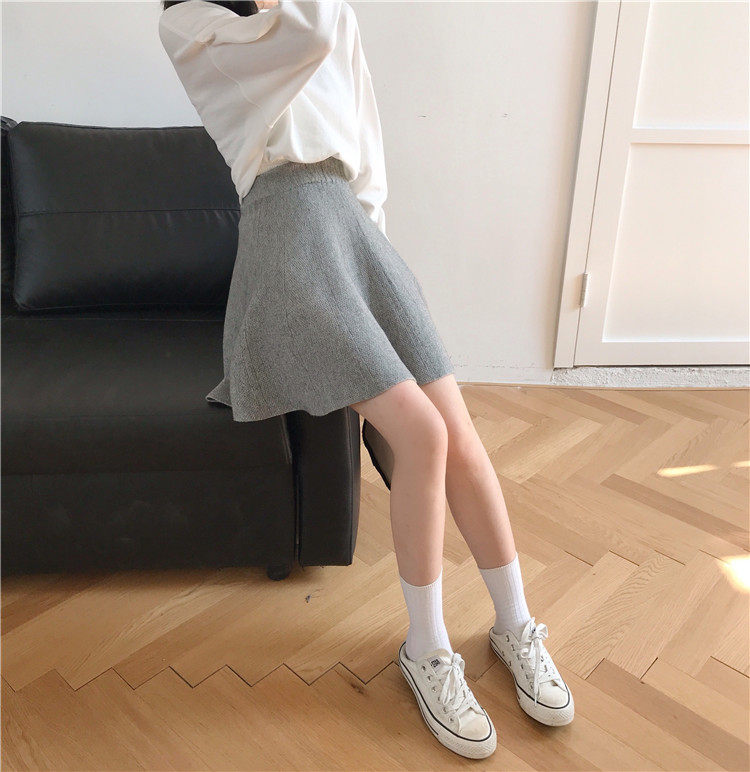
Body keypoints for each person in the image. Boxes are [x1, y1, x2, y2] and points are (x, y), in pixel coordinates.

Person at [158, 0, 573, 758]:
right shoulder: (192, 23)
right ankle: (426, 649)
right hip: (286, 239)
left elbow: (367, 140)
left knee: (459, 436)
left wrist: (378, 266)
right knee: (421, 434)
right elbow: (309, 37)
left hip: (353, 231)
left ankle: (515, 625)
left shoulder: (326, 14)